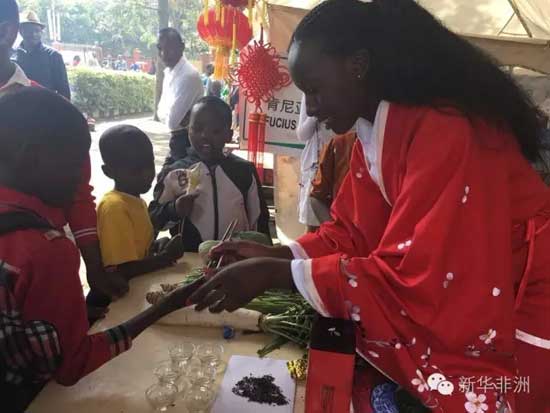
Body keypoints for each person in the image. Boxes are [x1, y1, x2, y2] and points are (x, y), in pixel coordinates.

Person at [190, 1, 550, 412]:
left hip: (519, 296)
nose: (311, 109)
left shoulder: (446, 130)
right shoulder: (374, 133)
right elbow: (351, 233)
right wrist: (274, 255)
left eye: (315, 90)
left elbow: (416, 275)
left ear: (358, 66)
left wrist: (277, 274)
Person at [0, 88, 197, 412]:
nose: (82, 182)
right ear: (31, 156)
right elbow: (71, 365)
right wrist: (161, 310)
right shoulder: (46, 251)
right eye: (75, 164)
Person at [1, 0, 127, 304]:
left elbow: (77, 193)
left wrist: (95, 268)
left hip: (40, 282)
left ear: (5, 33)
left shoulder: (51, 114)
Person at [87, 125, 185, 319]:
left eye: (149, 164)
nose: (146, 174)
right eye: (135, 169)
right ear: (109, 171)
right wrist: (165, 257)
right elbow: (123, 269)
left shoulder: (136, 201)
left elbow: (137, 252)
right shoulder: (115, 207)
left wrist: (156, 246)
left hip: (133, 293)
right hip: (112, 303)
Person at [149, 96, 271, 252]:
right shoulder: (174, 173)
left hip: (234, 258)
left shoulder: (244, 171)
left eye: (215, 131)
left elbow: (259, 220)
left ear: (229, 135)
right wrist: (174, 209)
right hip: (190, 258)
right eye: (197, 129)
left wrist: (263, 254)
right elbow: (153, 219)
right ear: (188, 130)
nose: (204, 136)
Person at [157, 28, 204, 162]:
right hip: (177, 139)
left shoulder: (188, 76)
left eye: (169, 48)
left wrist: (173, 116)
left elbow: (172, 122)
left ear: (182, 47)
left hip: (187, 143)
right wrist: (175, 117)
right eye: (160, 48)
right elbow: (160, 113)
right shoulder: (169, 72)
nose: (164, 54)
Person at [296, 93, 334, 232]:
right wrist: (315, 115)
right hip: (315, 166)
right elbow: (302, 134)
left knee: (336, 224)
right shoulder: (309, 93)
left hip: (341, 163)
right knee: (312, 225)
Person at [14, 10, 70, 99]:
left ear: (41, 32)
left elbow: (64, 91)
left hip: (46, 106)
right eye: (29, 30)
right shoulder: (11, 56)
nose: (34, 34)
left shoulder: (53, 56)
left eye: (37, 31)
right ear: (21, 31)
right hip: (18, 105)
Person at [309, 131, 356, 225]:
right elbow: (317, 197)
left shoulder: (384, 148)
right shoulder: (338, 144)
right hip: (342, 227)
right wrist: (333, 228)